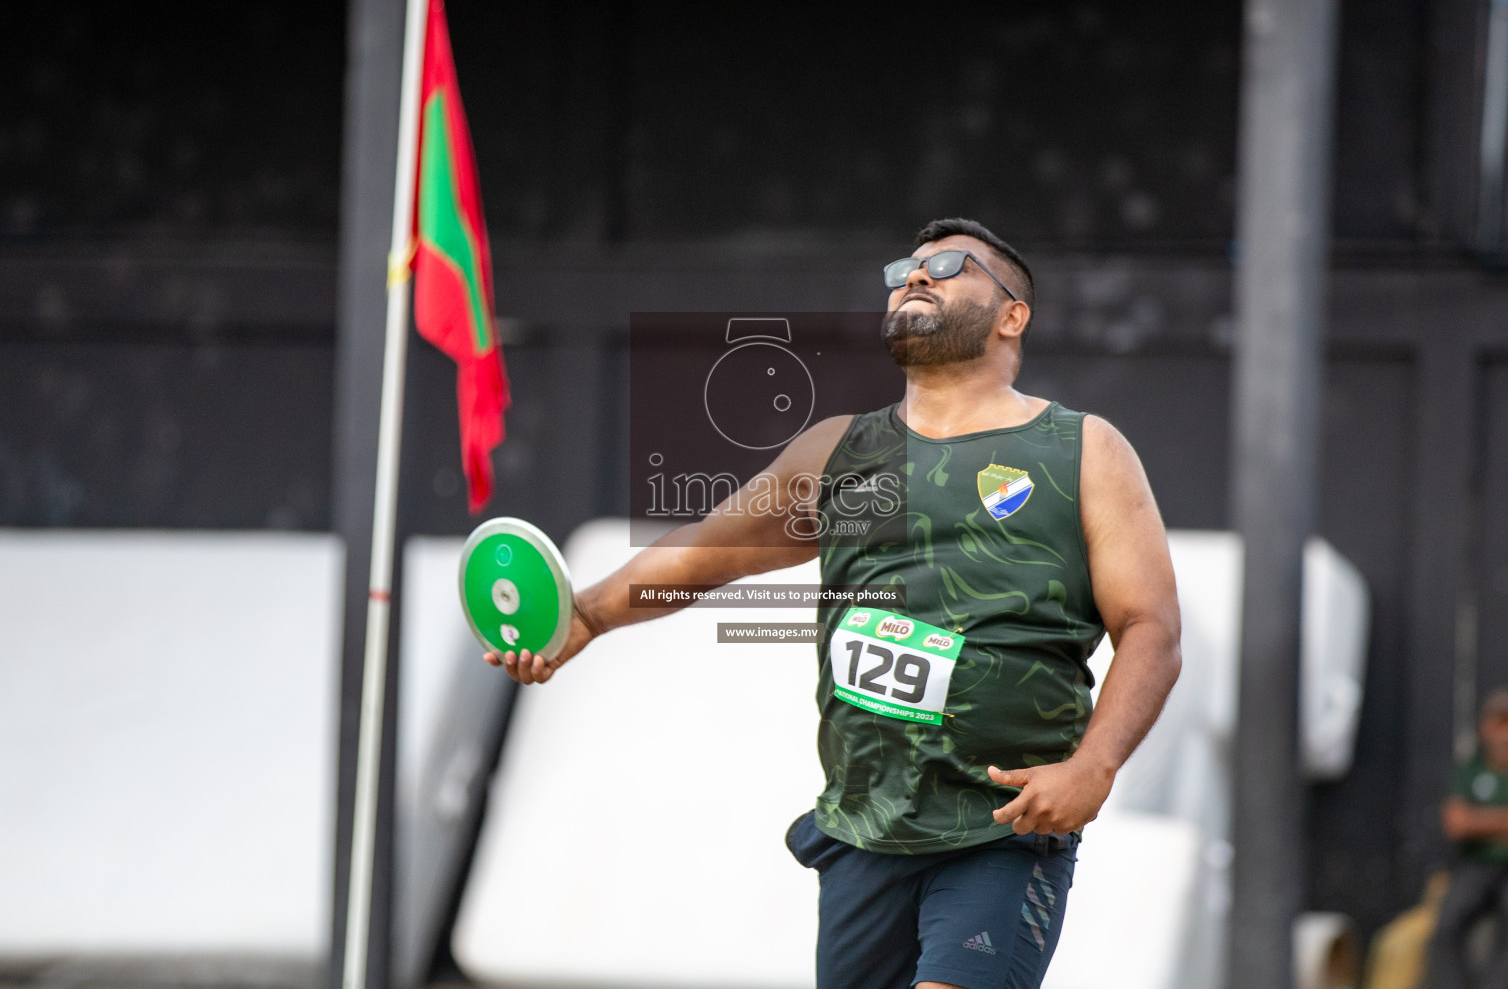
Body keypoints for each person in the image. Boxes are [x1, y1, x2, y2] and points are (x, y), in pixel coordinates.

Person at [486, 218, 1183, 989]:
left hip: (1001, 828)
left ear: (1012, 314)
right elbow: (703, 552)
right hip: (864, 829)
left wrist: (1096, 766)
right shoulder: (840, 450)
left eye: (949, 267)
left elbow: (1149, 626)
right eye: (904, 270)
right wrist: (585, 616)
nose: (915, 278)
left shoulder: (1082, 448)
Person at [1425, 688, 1508, 989]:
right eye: (1498, 725)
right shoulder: (1471, 768)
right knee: (1447, 920)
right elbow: (1456, 824)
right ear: (1484, 729)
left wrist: (1483, 818)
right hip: (1477, 866)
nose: (1505, 736)